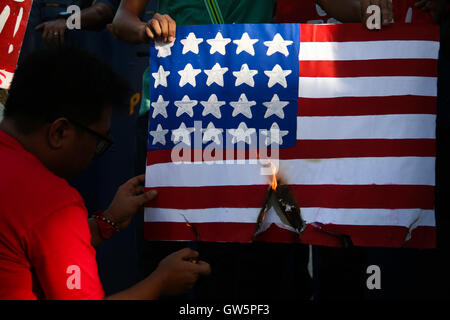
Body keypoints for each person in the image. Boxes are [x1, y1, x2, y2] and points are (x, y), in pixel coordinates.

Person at [111, 0, 313, 300]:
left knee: (251, 244)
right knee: (171, 239)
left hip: (251, 105)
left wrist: (366, 9)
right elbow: (121, 20)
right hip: (174, 106)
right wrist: (146, 29)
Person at [0, 46, 211, 300]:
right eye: (99, 140)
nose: (95, 151)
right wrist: (159, 283)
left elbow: (28, 243)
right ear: (59, 132)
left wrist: (106, 222)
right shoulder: (53, 205)